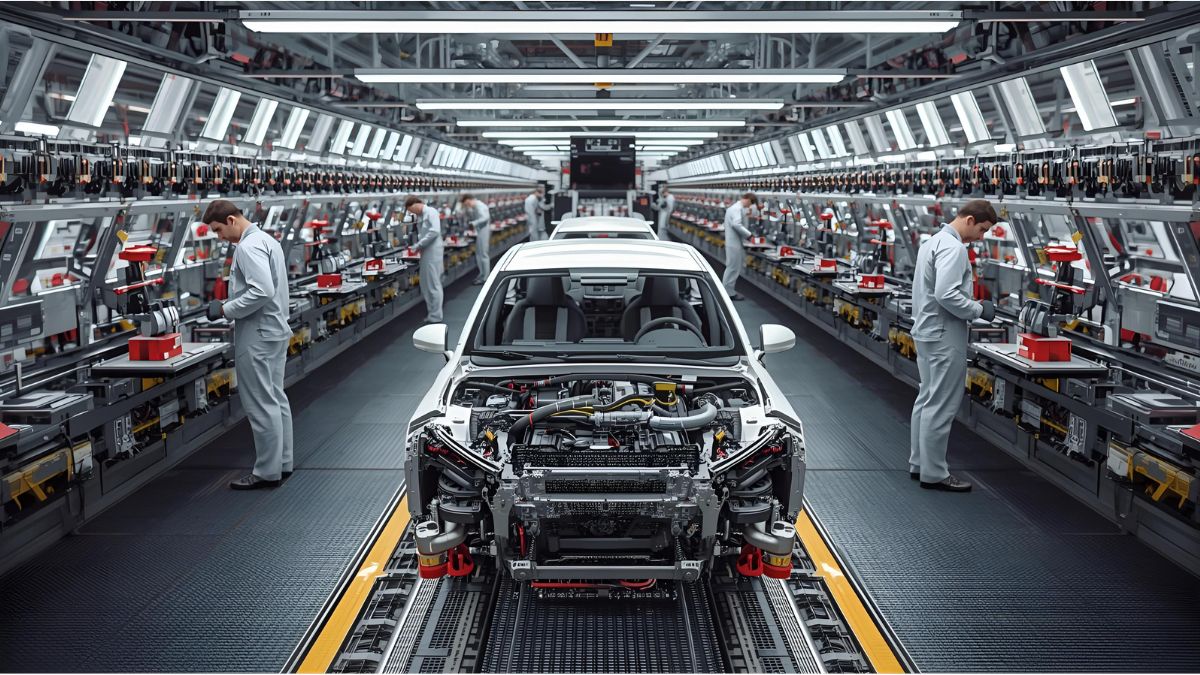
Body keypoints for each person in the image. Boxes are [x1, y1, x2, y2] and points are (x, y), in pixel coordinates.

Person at [202, 199, 293, 490]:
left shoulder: (247, 246)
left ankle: (267, 472)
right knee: (276, 399)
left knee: (261, 404)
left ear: (231, 220)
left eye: (218, 230)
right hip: (275, 330)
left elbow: (262, 290)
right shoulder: (268, 240)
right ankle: (283, 462)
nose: (219, 237)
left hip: (258, 335)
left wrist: (226, 309)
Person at [908, 199, 998, 492]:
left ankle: (920, 464)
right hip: (944, 336)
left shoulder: (932, 242)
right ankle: (934, 474)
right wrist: (978, 309)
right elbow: (946, 294)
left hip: (926, 331)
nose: (981, 237)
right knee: (941, 405)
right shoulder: (954, 248)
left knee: (926, 399)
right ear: (970, 220)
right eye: (982, 229)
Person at [405, 195, 444, 323]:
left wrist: (419, 245)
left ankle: (436, 316)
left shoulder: (430, 212)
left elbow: (434, 231)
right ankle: (432, 313)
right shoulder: (423, 215)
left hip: (432, 251)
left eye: (411, 210)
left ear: (415, 204)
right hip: (427, 252)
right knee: (426, 284)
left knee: (433, 284)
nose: (412, 213)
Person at [722, 192, 757, 300]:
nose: (749, 206)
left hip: (733, 242)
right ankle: (728, 293)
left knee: (732, 267)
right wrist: (749, 235)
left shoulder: (735, 208)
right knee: (733, 268)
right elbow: (736, 224)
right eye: (750, 203)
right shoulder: (736, 208)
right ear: (746, 199)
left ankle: (726, 291)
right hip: (734, 244)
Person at [460, 193, 491, 285]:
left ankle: (486, 277)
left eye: (467, 203)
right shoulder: (477, 206)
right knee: (479, 254)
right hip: (481, 231)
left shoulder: (479, 206)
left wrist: (474, 223)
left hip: (483, 232)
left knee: (483, 254)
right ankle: (482, 274)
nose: (468, 205)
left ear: (470, 199)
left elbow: (485, 217)